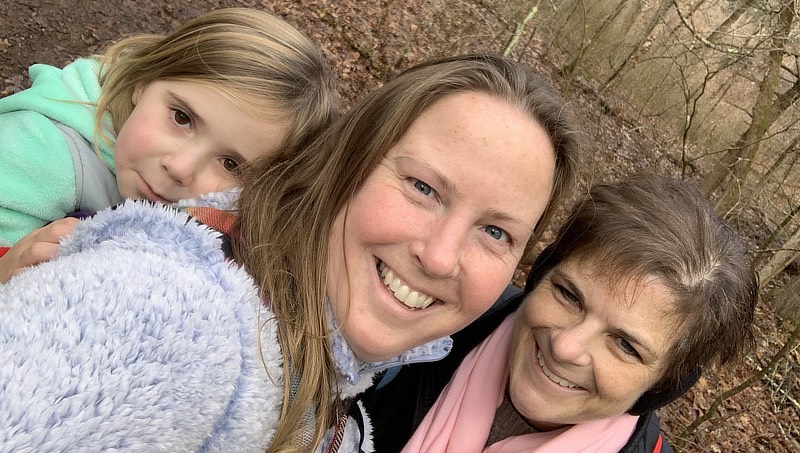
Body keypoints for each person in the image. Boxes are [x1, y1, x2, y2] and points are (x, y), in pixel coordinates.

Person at [0, 54, 580, 452]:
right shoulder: (167, 311)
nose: (439, 256)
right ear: (344, 163)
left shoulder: (339, 381)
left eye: (496, 232)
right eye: (423, 188)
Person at [380, 175, 758, 453]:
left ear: (662, 387)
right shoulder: (419, 329)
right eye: (569, 296)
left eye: (626, 346)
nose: (564, 347)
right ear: (541, 274)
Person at [0, 7, 338, 272]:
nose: (180, 168)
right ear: (144, 81)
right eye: (182, 117)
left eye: (232, 164)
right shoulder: (38, 151)